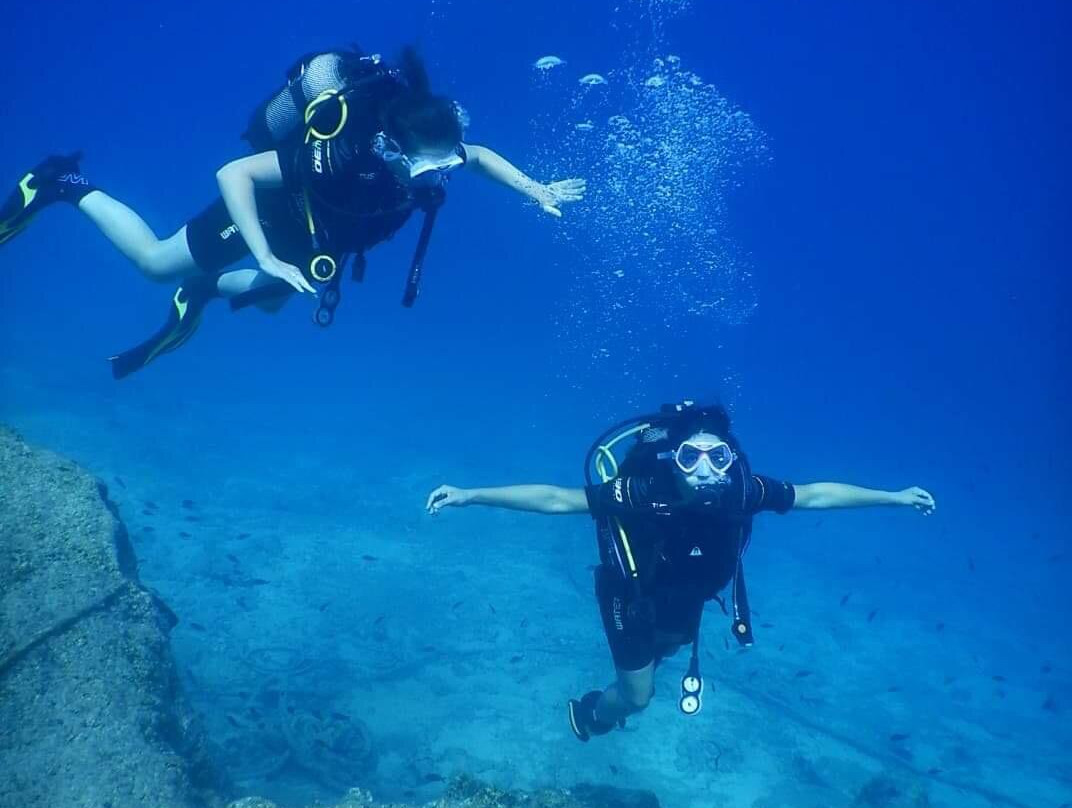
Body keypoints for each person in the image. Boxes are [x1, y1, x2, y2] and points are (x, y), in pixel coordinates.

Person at [0, 46, 585, 378]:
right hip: (268, 213)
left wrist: (535, 189)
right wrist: (263, 253)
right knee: (154, 263)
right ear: (391, 150)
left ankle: (202, 292)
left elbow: (476, 155)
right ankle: (59, 182)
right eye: (431, 169)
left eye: (443, 166)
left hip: (322, 233)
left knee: (278, 297)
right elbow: (235, 173)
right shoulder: (339, 157)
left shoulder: (432, 147)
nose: (442, 176)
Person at [425, 401, 936, 742]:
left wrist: (893, 497)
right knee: (637, 699)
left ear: (732, 459)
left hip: (686, 599)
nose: (707, 470)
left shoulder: (743, 491)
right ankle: (591, 716)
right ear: (675, 460)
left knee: (665, 650)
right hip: (631, 596)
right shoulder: (646, 491)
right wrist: (471, 495)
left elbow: (817, 494)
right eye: (692, 457)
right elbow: (558, 500)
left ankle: (645, 663)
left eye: (719, 457)